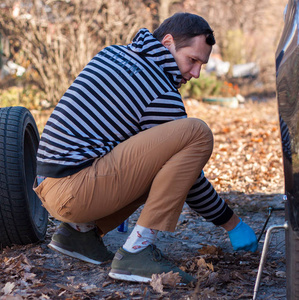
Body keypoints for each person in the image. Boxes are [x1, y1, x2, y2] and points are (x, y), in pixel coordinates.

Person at [33, 12, 258, 284]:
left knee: (157, 157)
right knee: (197, 133)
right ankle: (136, 252)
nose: (196, 73)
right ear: (167, 43)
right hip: (74, 192)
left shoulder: (113, 53)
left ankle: (79, 235)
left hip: (47, 187)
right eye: (192, 60)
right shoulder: (160, 90)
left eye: (202, 64)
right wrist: (232, 224)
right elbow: (188, 178)